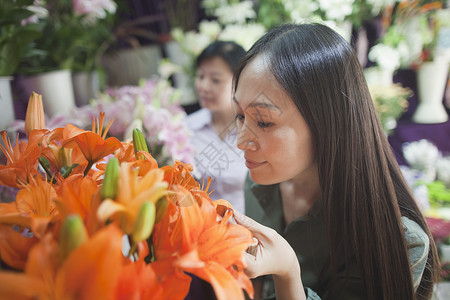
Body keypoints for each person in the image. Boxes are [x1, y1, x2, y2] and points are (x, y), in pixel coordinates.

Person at [231, 23, 440, 300]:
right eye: (240, 116)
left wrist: (288, 272)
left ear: (327, 122)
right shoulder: (261, 182)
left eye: (264, 122)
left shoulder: (399, 240)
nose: (241, 140)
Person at [187, 41, 247, 213]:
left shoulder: (255, 130)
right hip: (200, 229)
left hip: (247, 230)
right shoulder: (185, 129)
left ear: (240, 81)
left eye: (215, 79)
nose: (204, 87)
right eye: (200, 77)